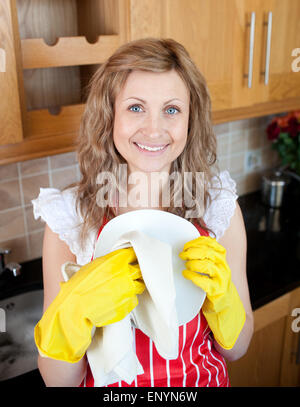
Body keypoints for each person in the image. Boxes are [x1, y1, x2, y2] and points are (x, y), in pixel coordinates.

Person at [32, 37, 254, 387]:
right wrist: (70, 317)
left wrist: (224, 303)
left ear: (190, 120)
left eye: (171, 109)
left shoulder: (217, 209)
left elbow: (238, 350)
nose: (154, 129)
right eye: (136, 107)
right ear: (110, 115)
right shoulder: (70, 218)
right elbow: (59, 382)